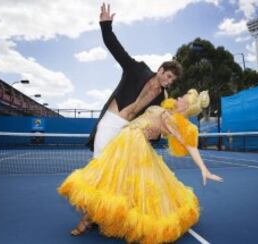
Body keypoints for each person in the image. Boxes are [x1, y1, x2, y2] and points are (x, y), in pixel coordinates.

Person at [58, 89, 223, 244]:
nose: (178, 98)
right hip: (122, 142)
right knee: (107, 183)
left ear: (185, 107)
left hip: (136, 148)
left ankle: (87, 222)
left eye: (182, 100)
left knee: (119, 186)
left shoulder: (171, 122)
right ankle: (89, 220)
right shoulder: (164, 107)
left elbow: (189, 145)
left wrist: (204, 168)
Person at [87, 3, 183, 157]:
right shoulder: (136, 69)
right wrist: (105, 25)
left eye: (173, 80)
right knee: (100, 171)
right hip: (111, 123)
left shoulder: (162, 96)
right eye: (169, 76)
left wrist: (156, 134)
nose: (170, 81)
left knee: (121, 176)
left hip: (128, 133)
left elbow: (157, 122)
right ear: (160, 70)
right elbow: (116, 48)